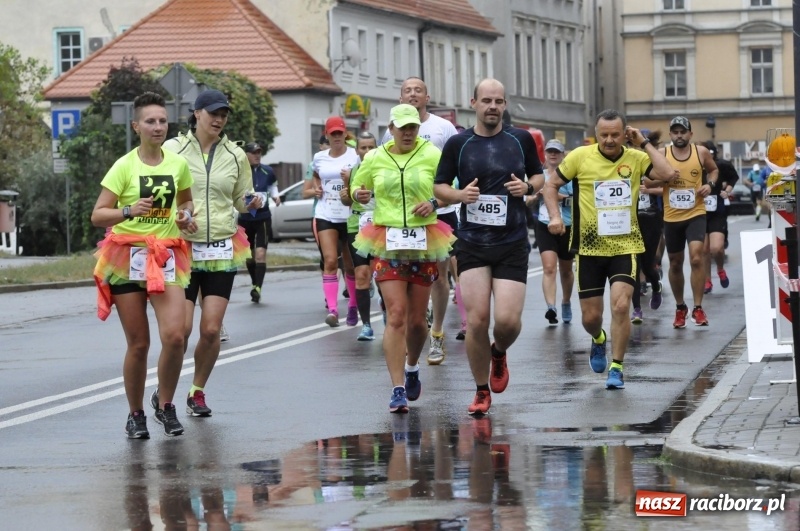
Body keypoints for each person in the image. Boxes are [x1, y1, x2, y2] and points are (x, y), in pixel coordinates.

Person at [434, 79, 544, 415]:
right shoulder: (459, 143)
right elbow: (439, 187)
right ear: (474, 103)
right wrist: (460, 195)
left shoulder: (520, 139)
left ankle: (499, 352)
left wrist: (526, 187)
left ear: (505, 104)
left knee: (507, 322)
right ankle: (481, 390)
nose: (493, 106)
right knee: (478, 320)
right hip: (472, 243)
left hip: (511, 241)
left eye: (498, 101)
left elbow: (539, 178)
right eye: (486, 100)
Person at [543, 109, 675, 390]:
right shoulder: (580, 157)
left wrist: (644, 143)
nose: (610, 140)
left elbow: (667, 174)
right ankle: (599, 339)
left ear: (625, 133)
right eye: (604, 135)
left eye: (616, 134)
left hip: (625, 246)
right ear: (596, 133)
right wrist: (555, 216)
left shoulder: (636, 158)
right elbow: (550, 185)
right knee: (591, 319)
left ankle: (617, 367)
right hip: (589, 249)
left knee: (621, 305)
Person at [91, 91, 197, 438]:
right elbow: (97, 214)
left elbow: (186, 205)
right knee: (139, 344)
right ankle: (135, 414)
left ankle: (165, 404)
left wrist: (185, 219)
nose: (157, 127)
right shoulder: (124, 166)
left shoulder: (177, 164)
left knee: (176, 335)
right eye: (150, 121)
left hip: (165, 255)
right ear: (136, 126)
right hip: (128, 258)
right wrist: (128, 210)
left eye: (163, 121)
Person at [160, 89, 260, 417]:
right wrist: (175, 216)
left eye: (224, 115)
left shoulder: (235, 155)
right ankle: (165, 393)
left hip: (220, 246)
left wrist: (253, 201)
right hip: (182, 248)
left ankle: (197, 391)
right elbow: (160, 192)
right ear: (196, 114)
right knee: (182, 331)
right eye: (213, 113)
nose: (219, 119)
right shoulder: (172, 150)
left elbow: (241, 199)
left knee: (212, 329)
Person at [352, 104, 455, 413]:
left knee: (417, 322)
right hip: (387, 240)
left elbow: (454, 188)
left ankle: (412, 366)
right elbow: (356, 188)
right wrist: (358, 193)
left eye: (413, 127)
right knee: (395, 314)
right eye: (403, 128)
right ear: (392, 129)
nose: (409, 133)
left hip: (423, 241)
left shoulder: (432, 155)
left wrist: (434, 201)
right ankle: (397, 388)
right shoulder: (375, 157)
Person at [384, 77, 460, 365]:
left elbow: (454, 170)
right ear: (401, 98)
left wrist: (443, 199)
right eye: (407, 90)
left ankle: (437, 333)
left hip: (439, 213)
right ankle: (410, 328)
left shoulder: (443, 128)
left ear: (427, 97)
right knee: (403, 277)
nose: (413, 94)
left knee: (438, 275)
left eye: (418, 90)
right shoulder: (389, 130)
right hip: (404, 220)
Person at [658, 116, 718, 328]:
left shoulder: (700, 152)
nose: (679, 135)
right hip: (671, 216)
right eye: (675, 132)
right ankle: (680, 306)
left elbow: (714, 170)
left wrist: (709, 184)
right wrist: (665, 177)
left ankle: (698, 308)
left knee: (695, 258)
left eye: (683, 131)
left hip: (695, 212)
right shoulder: (662, 154)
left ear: (690, 134)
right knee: (675, 262)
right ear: (670, 134)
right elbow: (647, 180)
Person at [311, 116, 361, 327]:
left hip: (348, 215)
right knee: (330, 261)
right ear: (327, 135)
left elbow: (362, 180)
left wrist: (350, 182)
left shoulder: (354, 156)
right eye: (333, 134)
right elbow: (316, 175)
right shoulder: (320, 157)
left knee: (350, 265)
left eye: (340, 133)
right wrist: (317, 187)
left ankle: (352, 306)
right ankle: (332, 310)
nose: (337, 137)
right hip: (326, 213)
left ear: (345, 134)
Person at [340, 131, 378, 340]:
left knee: (381, 274)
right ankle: (366, 326)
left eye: (370, 147)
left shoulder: (384, 167)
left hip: (381, 225)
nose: (366, 151)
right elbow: (348, 202)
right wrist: (345, 195)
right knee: (362, 274)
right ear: (357, 150)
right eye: (363, 147)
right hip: (357, 226)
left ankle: (388, 312)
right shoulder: (353, 170)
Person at [534, 139, 574, 326]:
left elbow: (574, 199)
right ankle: (551, 307)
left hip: (567, 225)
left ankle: (566, 301)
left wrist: (552, 194)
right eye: (550, 151)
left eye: (556, 152)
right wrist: (531, 196)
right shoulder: (539, 176)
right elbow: (528, 198)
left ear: (562, 155)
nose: (552, 154)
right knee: (549, 268)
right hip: (544, 224)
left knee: (566, 270)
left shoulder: (570, 176)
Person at [238, 142, 281, 304]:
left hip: (262, 217)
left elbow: (273, 186)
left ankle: (257, 287)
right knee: (249, 257)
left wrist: (276, 196)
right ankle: (254, 281)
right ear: (246, 155)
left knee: (261, 253)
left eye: (259, 152)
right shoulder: (240, 171)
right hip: (245, 218)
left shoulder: (267, 170)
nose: (257, 155)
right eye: (254, 152)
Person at [700, 140, 737, 294]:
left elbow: (733, 178)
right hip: (700, 212)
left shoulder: (721, 165)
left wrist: (727, 191)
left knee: (716, 249)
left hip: (717, 211)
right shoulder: (695, 167)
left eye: (711, 153)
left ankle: (720, 269)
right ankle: (707, 281)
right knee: (704, 250)